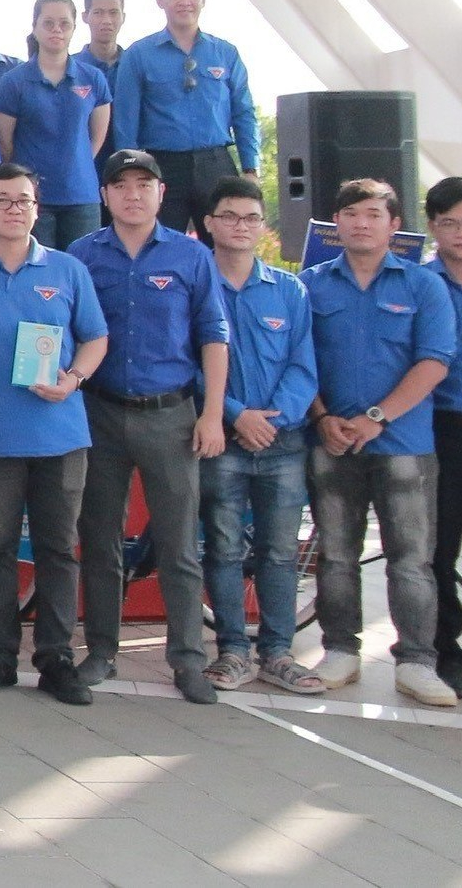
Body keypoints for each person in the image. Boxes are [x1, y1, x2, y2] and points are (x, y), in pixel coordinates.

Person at [67, 149, 229, 702]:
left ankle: (187, 659)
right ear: (105, 195)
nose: (133, 194)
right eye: (121, 185)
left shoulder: (191, 256)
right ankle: (102, 652)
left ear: (161, 193)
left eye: (144, 184)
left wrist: (211, 414)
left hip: (172, 417)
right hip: (100, 413)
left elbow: (213, 336)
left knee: (179, 544)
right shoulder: (82, 255)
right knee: (100, 538)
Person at [0, 164, 106, 707]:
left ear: (37, 208)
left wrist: (74, 378)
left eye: (24, 200)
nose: (14, 208)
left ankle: (56, 655)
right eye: (2, 200)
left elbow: (96, 338)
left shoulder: (66, 270)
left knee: (58, 548)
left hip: (61, 433)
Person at [302, 177, 457, 705]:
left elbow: (435, 362)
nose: (361, 223)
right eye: (351, 214)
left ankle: (417, 661)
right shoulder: (311, 284)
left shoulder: (423, 286)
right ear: (336, 224)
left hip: (405, 444)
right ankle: (339, 650)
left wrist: (376, 418)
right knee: (337, 555)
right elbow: (300, 361)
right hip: (332, 443)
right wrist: (323, 418)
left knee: (412, 559)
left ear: (395, 226)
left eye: (373, 214)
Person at [198, 177, 325, 696]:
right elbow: (188, 365)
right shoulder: (194, 283)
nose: (240, 226)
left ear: (263, 226)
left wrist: (271, 419)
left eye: (251, 217)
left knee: (278, 553)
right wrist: (235, 415)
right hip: (222, 439)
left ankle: (276, 652)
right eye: (229, 216)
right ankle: (232, 650)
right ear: (209, 223)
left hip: (283, 443)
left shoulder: (289, 290)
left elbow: (304, 365)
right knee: (224, 548)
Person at [111, 0, 261, 234]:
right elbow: (125, 120)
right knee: (160, 245)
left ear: (203, 0)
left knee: (226, 242)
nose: (184, 2)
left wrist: (250, 168)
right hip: (161, 165)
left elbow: (244, 113)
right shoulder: (139, 55)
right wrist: (130, 173)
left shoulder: (225, 53)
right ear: (161, 1)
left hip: (215, 164)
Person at [0, 0, 111, 250]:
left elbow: (97, 135)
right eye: (48, 23)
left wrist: (76, 162)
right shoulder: (14, 81)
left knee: (82, 269)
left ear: (74, 28)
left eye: (64, 24)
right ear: (34, 27)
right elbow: (3, 141)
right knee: (38, 270)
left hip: (81, 195)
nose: (56, 30)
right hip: (32, 198)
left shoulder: (93, 78)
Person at [429, 176, 462, 693]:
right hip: (441, 425)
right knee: (439, 545)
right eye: (450, 223)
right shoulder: (419, 283)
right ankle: (444, 649)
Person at [82, 0, 127, 77]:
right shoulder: (68, 68)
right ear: (85, 17)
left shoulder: (136, 65)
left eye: (113, 13)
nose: (107, 21)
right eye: (98, 13)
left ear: (123, 17)